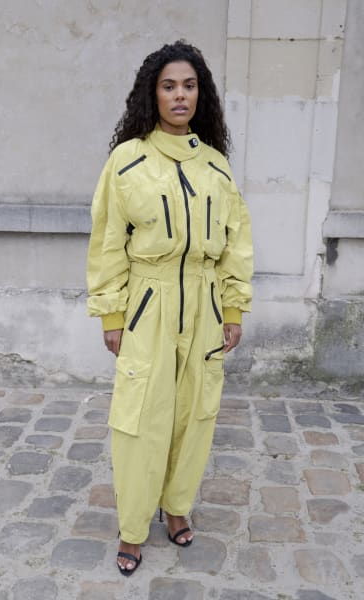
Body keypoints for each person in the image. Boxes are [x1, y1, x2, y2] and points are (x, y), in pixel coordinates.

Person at [87, 40, 253, 576]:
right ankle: (133, 527)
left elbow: (236, 242)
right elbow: (109, 240)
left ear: (199, 95)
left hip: (204, 306)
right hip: (148, 305)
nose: (180, 95)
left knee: (195, 414)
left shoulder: (216, 166)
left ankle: (176, 504)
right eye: (169, 86)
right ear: (151, 94)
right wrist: (113, 315)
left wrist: (233, 308)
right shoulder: (128, 160)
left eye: (189, 85)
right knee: (140, 420)